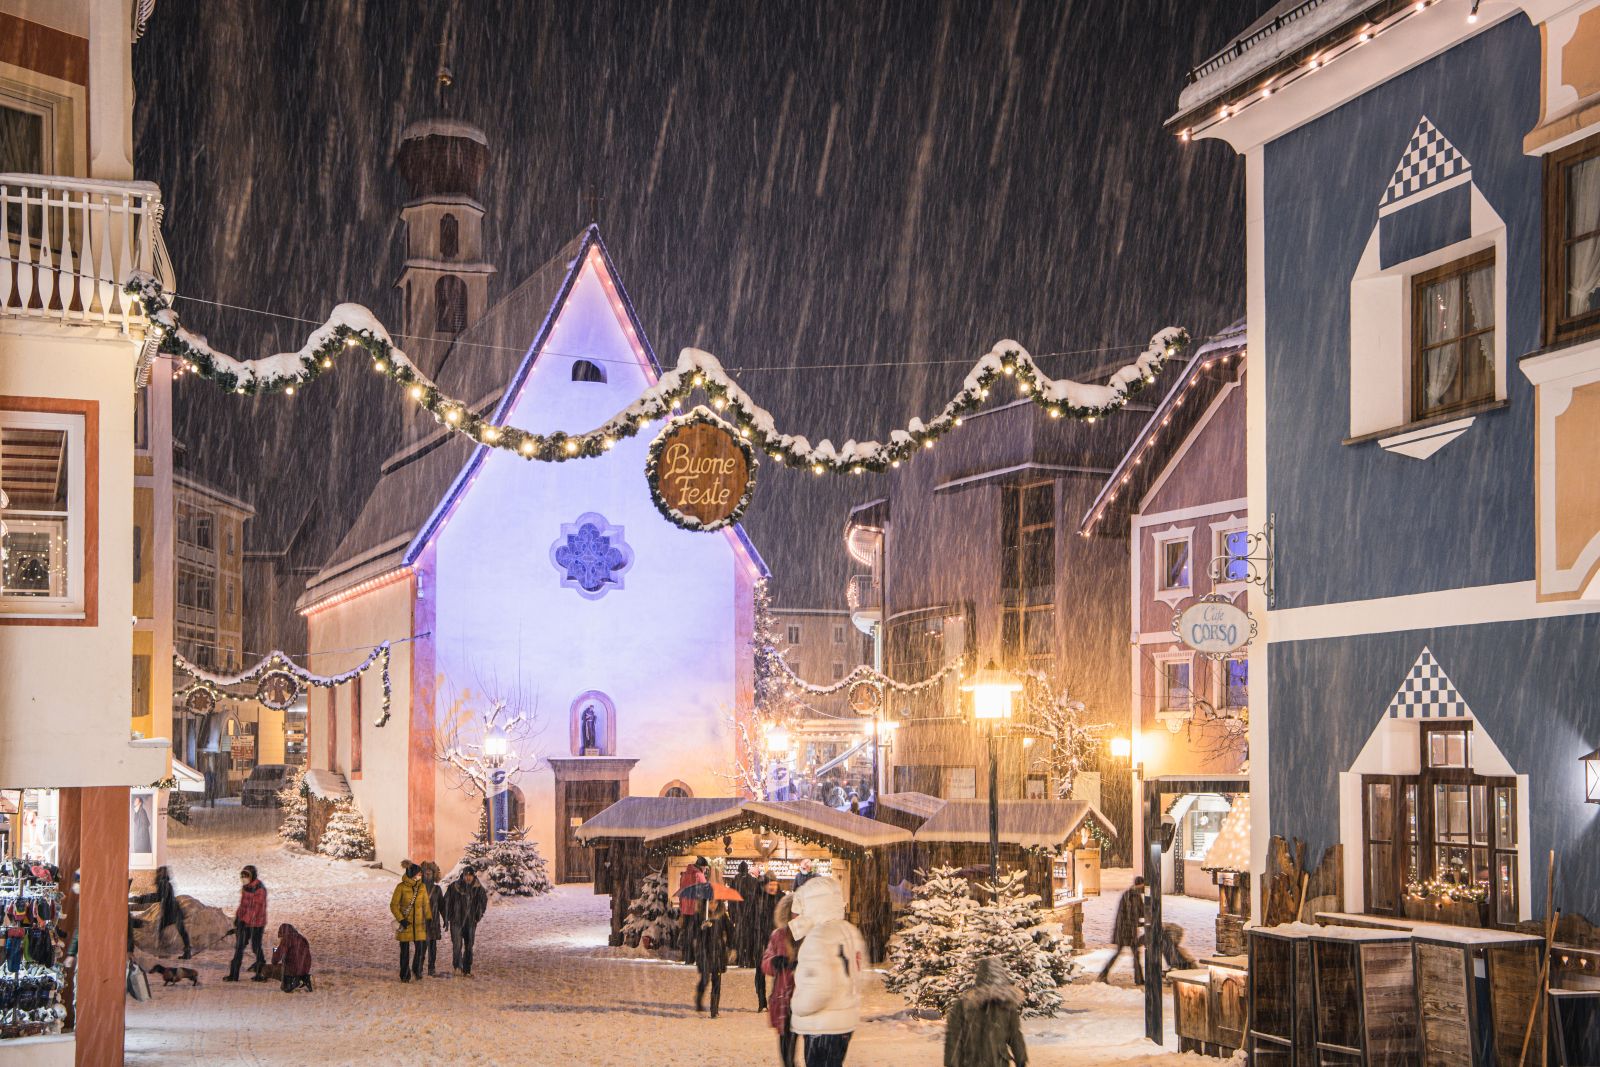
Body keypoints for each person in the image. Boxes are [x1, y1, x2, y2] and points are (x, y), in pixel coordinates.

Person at [788, 875, 866, 1067]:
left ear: (813, 906)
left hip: (821, 1026)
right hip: (844, 1022)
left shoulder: (818, 937)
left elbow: (819, 989)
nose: (797, 915)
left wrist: (796, 1006)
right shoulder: (849, 931)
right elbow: (859, 974)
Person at [944, 956, 1028, 1067]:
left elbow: (1015, 1035)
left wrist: (1021, 1059)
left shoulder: (1006, 1006)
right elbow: (954, 1037)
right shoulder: (965, 1005)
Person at [760, 889, 799, 1067]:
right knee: (786, 1043)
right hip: (783, 996)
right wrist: (775, 962)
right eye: (794, 911)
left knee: (803, 1040)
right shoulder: (778, 936)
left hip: (803, 996)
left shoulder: (811, 936)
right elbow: (765, 962)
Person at [130, 865, 191, 959]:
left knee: (163, 930)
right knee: (180, 931)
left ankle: (165, 950)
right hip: (173, 910)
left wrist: (139, 899)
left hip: (171, 911)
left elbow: (157, 897)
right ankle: (185, 951)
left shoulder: (163, 883)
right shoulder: (166, 883)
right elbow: (159, 896)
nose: (158, 874)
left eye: (159, 873)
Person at [1097, 876, 1147, 985]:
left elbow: (1140, 912)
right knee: (1126, 953)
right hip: (1125, 931)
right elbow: (1130, 915)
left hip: (1128, 930)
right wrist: (1139, 923)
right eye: (1143, 886)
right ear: (1139, 885)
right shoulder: (1130, 895)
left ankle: (1138, 979)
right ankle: (1103, 975)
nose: (1144, 889)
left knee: (1133, 954)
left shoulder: (1135, 895)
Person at [224, 865, 268, 982]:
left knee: (256, 947)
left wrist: (245, 920)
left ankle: (261, 972)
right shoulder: (246, 888)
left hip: (257, 924)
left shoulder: (260, 889)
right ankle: (233, 975)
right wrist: (238, 917)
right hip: (245, 923)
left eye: (246, 876)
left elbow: (257, 909)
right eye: (242, 876)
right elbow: (243, 905)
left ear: (252, 876)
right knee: (239, 947)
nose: (243, 878)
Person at [390, 863, 432, 983]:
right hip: (405, 924)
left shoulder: (422, 887)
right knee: (404, 952)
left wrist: (429, 918)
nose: (421, 875)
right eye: (419, 873)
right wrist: (401, 920)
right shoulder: (401, 887)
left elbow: (426, 904)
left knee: (420, 950)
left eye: (421, 873)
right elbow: (393, 905)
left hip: (419, 924)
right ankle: (404, 975)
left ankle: (416, 971)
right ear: (412, 874)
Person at [444, 865, 488, 976]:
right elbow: (446, 902)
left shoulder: (478, 888)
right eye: (466, 875)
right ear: (462, 876)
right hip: (456, 921)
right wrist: (448, 917)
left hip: (471, 922)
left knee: (469, 946)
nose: (468, 878)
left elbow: (483, 902)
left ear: (473, 876)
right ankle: (457, 967)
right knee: (457, 945)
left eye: (470, 875)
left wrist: (478, 915)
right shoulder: (454, 887)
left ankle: (467, 969)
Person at [693, 896, 732, 1018]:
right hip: (704, 952)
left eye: (716, 902)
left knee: (717, 980)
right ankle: (699, 999)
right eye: (711, 902)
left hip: (718, 952)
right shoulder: (700, 916)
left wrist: (730, 947)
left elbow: (730, 931)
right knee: (705, 978)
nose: (713, 905)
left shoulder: (722, 916)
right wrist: (702, 928)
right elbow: (692, 933)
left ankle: (714, 1009)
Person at [751, 874, 780, 1011]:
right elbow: (751, 920)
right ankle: (762, 1001)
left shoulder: (781, 899)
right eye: (770, 884)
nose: (773, 887)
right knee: (760, 970)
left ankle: (776, 999)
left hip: (777, 940)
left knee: (779, 970)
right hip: (760, 939)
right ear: (764, 886)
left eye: (775, 884)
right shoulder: (757, 900)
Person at [732, 861, 762, 968]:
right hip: (750, 914)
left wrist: (733, 914)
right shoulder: (754, 881)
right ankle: (750, 960)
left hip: (739, 914)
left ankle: (741, 960)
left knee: (741, 937)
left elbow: (731, 899)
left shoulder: (735, 880)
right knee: (750, 938)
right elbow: (758, 899)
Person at [677, 859, 706, 965]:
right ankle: (698, 957)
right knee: (699, 935)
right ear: (701, 866)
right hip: (696, 909)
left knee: (688, 934)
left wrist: (682, 906)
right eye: (705, 867)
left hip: (686, 909)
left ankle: (688, 958)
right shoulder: (699, 875)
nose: (705, 870)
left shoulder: (684, 875)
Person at [271, 923, 313, 993]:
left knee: (285, 988)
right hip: (305, 967)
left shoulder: (286, 939)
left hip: (293, 969)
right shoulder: (301, 938)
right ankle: (304, 978)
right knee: (294, 963)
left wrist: (275, 950)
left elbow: (275, 960)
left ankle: (293, 981)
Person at [420, 862, 445, 977]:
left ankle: (431, 968)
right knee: (421, 946)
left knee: (432, 947)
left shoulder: (437, 889)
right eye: (426, 872)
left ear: (434, 874)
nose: (428, 874)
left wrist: (445, 919)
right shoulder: (418, 888)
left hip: (433, 923)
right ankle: (419, 967)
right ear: (423, 874)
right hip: (421, 922)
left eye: (430, 873)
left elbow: (442, 906)